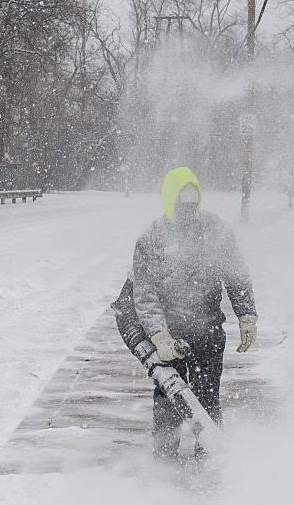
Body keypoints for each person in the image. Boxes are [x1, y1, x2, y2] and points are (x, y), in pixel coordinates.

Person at [112, 166, 259, 459]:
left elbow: (237, 275)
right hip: (170, 334)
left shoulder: (216, 231)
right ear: (169, 200)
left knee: (207, 398)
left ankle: (210, 459)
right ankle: (165, 460)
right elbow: (145, 294)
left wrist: (246, 314)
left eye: (193, 203)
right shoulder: (151, 240)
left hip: (208, 332)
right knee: (169, 399)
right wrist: (159, 335)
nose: (188, 210)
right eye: (182, 203)